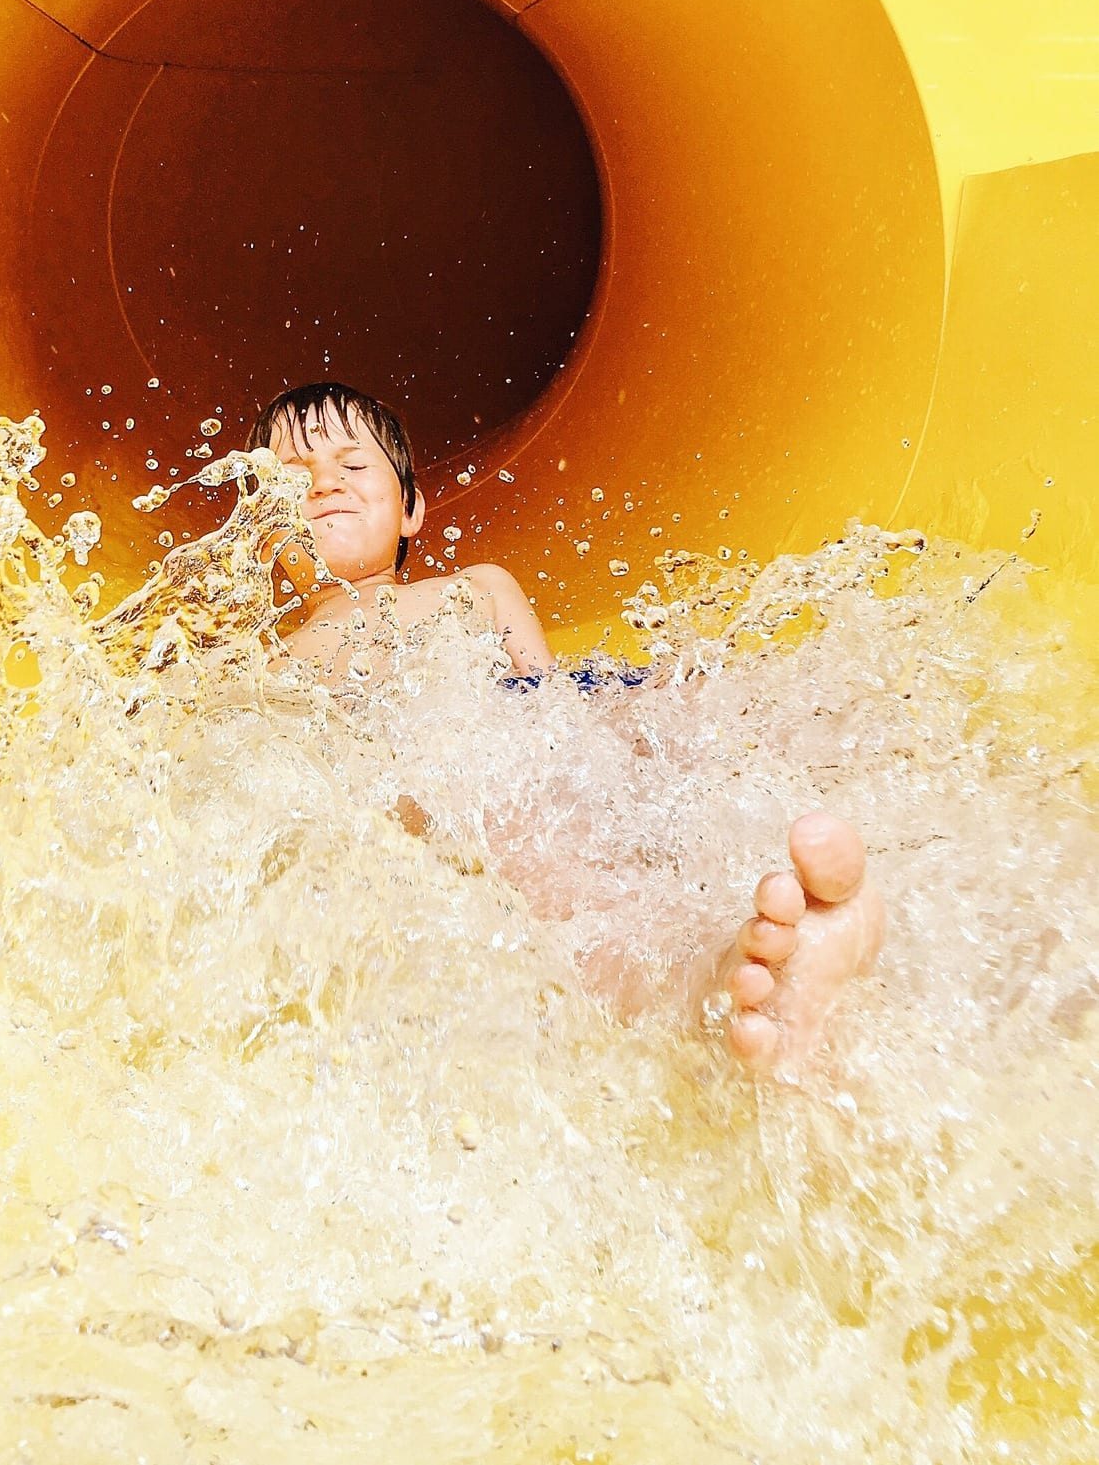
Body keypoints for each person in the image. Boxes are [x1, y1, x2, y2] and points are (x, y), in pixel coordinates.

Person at [248, 380, 885, 1072]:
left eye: (351, 464)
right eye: (291, 476)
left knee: (680, 705)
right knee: (561, 911)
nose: (323, 484)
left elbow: (549, 707)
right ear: (258, 529)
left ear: (412, 508)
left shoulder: (475, 587)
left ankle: (829, 798)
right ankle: (726, 976)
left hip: (508, 755)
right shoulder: (265, 664)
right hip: (416, 804)